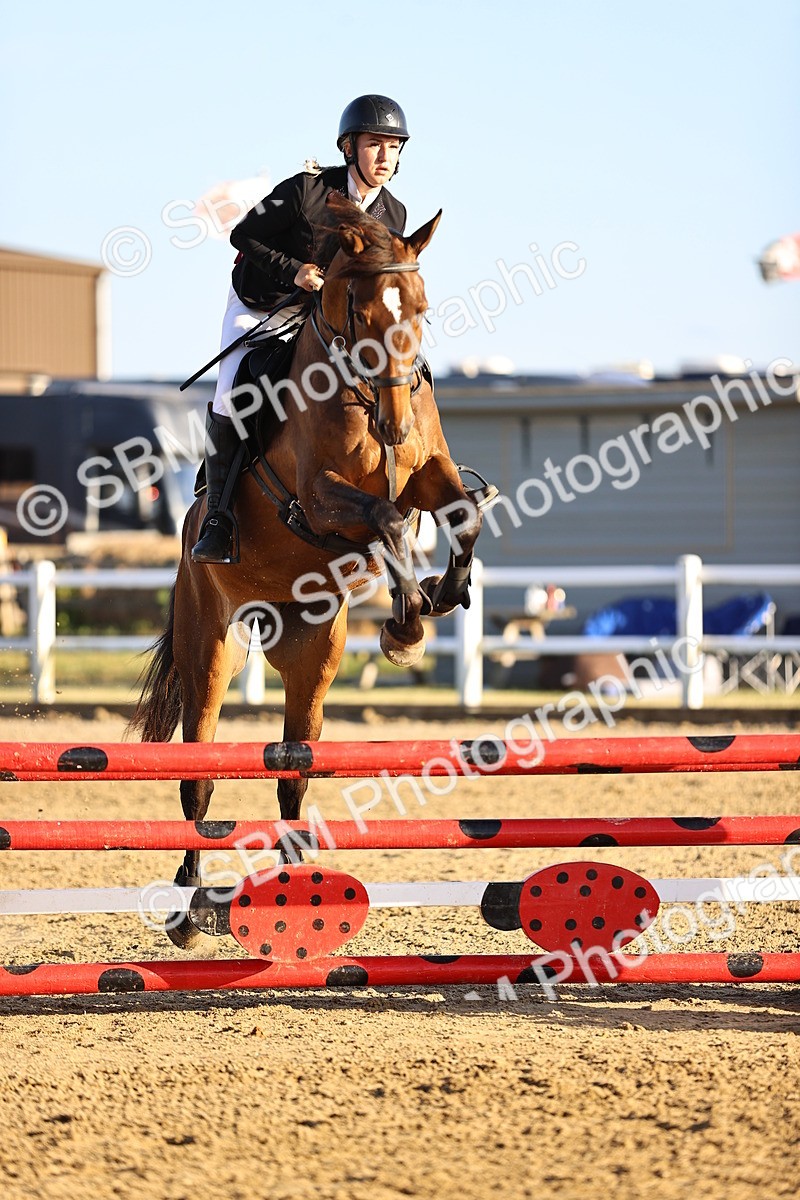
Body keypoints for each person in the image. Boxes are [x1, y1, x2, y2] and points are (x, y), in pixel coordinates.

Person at [192, 94, 410, 564]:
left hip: (326, 319)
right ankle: (218, 517)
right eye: (376, 145)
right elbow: (242, 235)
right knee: (234, 389)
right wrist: (293, 269)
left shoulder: (394, 215)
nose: (385, 157)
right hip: (262, 302)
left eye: (393, 147)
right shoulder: (305, 191)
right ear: (349, 147)